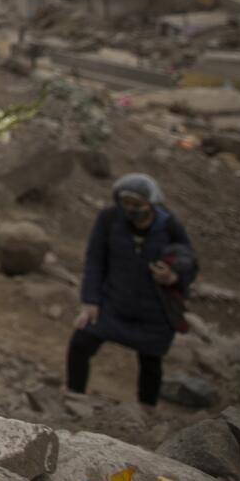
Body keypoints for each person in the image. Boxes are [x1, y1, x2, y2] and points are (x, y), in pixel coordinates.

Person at [69, 173, 198, 407]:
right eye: (125, 203)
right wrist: (90, 301)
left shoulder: (169, 226)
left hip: (154, 310)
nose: (130, 209)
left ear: (151, 203)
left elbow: (189, 260)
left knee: (151, 362)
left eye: (137, 204)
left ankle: (146, 412)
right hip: (114, 303)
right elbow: (95, 260)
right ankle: (74, 398)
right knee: (81, 342)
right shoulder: (109, 220)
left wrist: (171, 276)